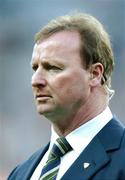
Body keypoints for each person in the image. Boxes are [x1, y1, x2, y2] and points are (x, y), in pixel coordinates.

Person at [8, 12, 125, 180]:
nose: (36, 80)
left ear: (94, 74)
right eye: (35, 68)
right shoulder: (20, 173)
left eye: (53, 67)